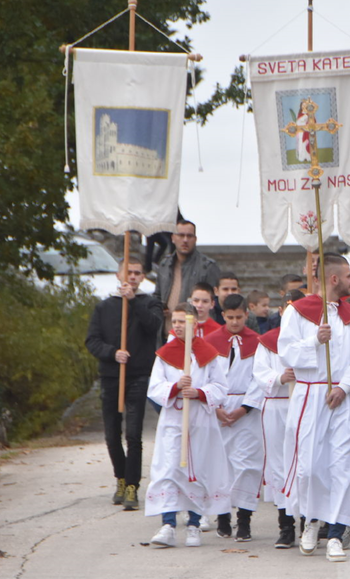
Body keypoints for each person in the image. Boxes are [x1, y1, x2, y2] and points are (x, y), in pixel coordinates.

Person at [277, 253, 350, 563]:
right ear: (334, 279)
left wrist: (345, 387)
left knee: (343, 465)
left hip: (342, 398)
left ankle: (335, 533)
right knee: (310, 466)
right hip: (310, 395)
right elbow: (287, 352)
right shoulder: (297, 312)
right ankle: (311, 521)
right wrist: (315, 342)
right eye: (347, 277)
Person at [146, 303, 230, 548]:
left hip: (200, 423)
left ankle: (194, 525)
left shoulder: (208, 354)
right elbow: (154, 387)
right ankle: (168, 525)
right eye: (175, 321)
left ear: (194, 323)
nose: (178, 326)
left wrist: (199, 392)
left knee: (198, 472)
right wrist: (175, 388)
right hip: (174, 422)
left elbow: (221, 387)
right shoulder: (165, 354)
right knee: (169, 470)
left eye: (183, 321)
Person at [84, 256, 163, 511]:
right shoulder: (104, 307)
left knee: (134, 434)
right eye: (128, 272)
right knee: (111, 434)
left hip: (138, 375)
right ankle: (120, 477)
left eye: (138, 273)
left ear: (142, 277)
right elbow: (92, 340)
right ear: (119, 275)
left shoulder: (149, 303)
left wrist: (133, 302)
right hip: (111, 376)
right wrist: (111, 353)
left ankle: (132, 485)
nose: (133, 276)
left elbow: (154, 328)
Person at [204, 294, 264, 542]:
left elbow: (260, 378)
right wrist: (215, 405)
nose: (235, 322)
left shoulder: (258, 342)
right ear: (222, 316)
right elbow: (204, 377)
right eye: (230, 318)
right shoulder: (209, 342)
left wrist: (244, 408)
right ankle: (222, 516)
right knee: (221, 464)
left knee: (248, 464)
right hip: (217, 408)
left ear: (246, 315)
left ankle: (245, 520)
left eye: (239, 317)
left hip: (246, 409)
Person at [251, 323, 297, 549]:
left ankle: (311, 521)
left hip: (303, 403)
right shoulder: (268, 341)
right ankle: (286, 525)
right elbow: (260, 372)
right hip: (277, 406)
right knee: (279, 465)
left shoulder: (313, 339)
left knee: (304, 464)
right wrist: (280, 377)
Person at [153, 220, 222, 330]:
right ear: (173, 238)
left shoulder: (207, 267)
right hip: (167, 332)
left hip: (195, 334)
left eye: (189, 236)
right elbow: (157, 296)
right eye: (181, 235)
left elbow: (215, 304)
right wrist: (160, 307)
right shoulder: (164, 265)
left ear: (195, 239)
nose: (185, 240)